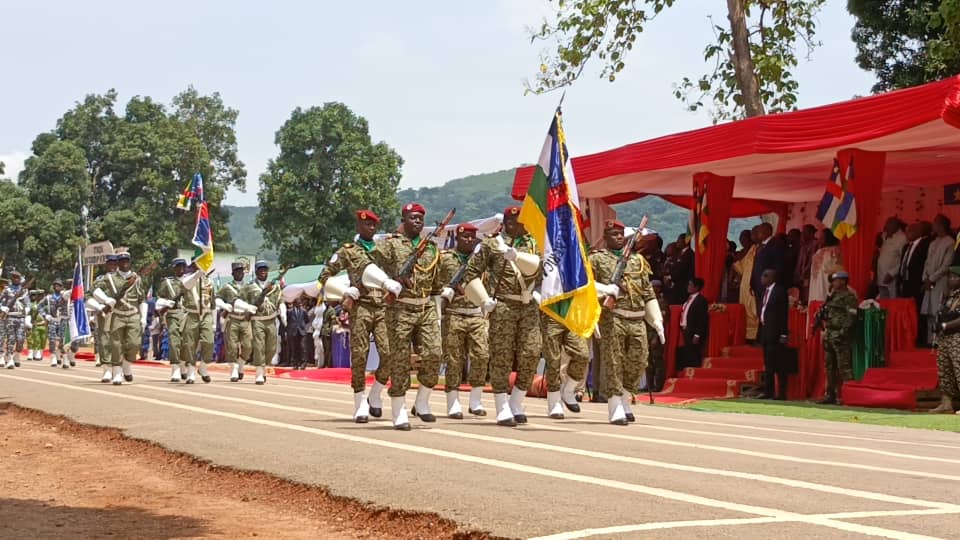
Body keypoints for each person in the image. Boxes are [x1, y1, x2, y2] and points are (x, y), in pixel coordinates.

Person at [464, 206, 541, 427]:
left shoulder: (534, 243)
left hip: (528, 306)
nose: (515, 225)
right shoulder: (491, 243)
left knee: (532, 352)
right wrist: (483, 299)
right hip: (503, 305)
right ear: (505, 222)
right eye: (511, 221)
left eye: (520, 221)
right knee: (501, 356)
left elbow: (544, 269)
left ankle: (516, 401)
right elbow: (470, 273)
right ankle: (502, 405)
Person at [319, 209, 395, 422]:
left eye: (373, 225)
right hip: (360, 306)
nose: (370, 228)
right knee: (360, 355)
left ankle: (376, 392)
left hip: (381, 307)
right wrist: (344, 291)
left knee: (389, 353)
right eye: (366, 225)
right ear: (358, 227)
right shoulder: (348, 251)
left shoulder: (384, 249)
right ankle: (359, 401)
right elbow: (325, 275)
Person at [371, 203, 439, 430]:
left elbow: (436, 280)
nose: (417, 221)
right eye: (412, 217)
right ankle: (399, 409)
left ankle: (421, 402)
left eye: (420, 218)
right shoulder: (390, 245)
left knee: (434, 353)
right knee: (399, 360)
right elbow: (368, 263)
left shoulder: (430, 248)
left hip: (426, 307)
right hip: (400, 308)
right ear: (403, 219)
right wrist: (388, 281)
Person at [590, 220, 665, 425]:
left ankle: (624, 397)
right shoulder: (596, 260)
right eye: (614, 234)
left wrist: (656, 320)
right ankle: (615, 405)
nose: (619, 237)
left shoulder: (638, 260)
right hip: (612, 318)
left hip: (637, 318)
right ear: (605, 237)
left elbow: (647, 292)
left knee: (639, 360)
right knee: (613, 362)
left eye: (621, 233)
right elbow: (587, 288)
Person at [435, 223, 491, 418]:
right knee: (454, 360)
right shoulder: (446, 258)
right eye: (464, 236)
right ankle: (453, 402)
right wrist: (444, 291)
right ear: (457, 238)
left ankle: (475, 401)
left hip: (476, 314)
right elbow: (435, 283)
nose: (468, 240)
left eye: (471, 237)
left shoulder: (480, 260)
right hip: (454, 313)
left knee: (481, 356)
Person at [92, 251, 148, 385]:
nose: (125, 263)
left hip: (133, 314)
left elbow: (142, 299)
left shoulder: (137, 279)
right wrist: (105, 301)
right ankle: (115, 372)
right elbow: (94, 291)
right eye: (122, 261)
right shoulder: (109, 278)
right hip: (116, 314)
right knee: (115, 345)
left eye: (127, 261)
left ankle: (126, 364)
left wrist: (143, 318)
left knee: (134, 344)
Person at [815, 271, 859, 404]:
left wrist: (843, 332)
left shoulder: (849, 297)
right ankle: (830, 394)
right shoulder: (832, 296)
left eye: (835, 281)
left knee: (844, 366)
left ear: (843, 281)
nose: (833, 283)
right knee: (829, 366)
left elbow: (852, 316)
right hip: (829, 333)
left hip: (840, 335)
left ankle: (848, 395)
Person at [244, 261, 286, 385]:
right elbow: (242, 299)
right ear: (256, 272)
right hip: (258, 320)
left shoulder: (275, 287)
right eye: (261, 270)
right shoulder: (250, 286)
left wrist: (283, 312)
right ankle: (259, 373)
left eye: (265, 270)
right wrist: (248, 308)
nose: (263, 272)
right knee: (259, 346)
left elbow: (280, 301)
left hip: (272, 320)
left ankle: (263, 367)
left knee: (272, 348)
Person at [217, 261, 254, 382]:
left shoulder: (249, 287)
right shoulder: (227, 287)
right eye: (237, 271)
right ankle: (234, 369)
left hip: (245, 319)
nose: (240, 273)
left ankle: (241, 364)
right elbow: (217, 298)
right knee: (232, 346)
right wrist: (224, 306)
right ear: (233, 273)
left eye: (241, 271)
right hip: (232, 319)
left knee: (248, 346)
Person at [179, 262, 215, 384]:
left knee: (209, 342)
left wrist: (214, 322)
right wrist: (196, 275)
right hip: (192, 314)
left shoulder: (209, 281)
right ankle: (191, 371)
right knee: (190, 345)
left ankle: (203, 367)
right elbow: (186, 285)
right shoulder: (187, 278)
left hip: (206, 314)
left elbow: (213, 302)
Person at [930, 266, 960, 414]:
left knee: (959, 369)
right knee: (945, 371)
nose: (951, 280)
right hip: (945, 337)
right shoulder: (949, 296)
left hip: (957, 338)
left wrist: (944, 325)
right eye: (950, 277)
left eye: (955, 277)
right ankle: (946, 403)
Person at [921, 215, 955, 346]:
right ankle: (931, 341)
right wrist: (925, 278)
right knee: (929, 312)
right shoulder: (933, 242)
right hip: (929, 282)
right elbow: (927, 262)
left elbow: (946, 266)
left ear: (941, 225)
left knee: (938, 311)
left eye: (935, 223)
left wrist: (932, 278)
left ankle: (940, 341)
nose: (933, 226)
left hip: (940, 282)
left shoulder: (950, 242)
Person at [757, 268, 790, 400]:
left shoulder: (779, 291)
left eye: (765, 276)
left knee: (778, 363)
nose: (762, 278)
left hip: (776, 333)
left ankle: (781, 392)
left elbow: (783, 314)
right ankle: (768, 391)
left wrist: (783, 333)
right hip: (766, 331)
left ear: (772, 278)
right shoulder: (765, 292)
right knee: (768, 363)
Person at [155, 259, 188, 382]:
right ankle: (175, 368)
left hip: (187, 315)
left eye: (183, 267)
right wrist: (167, 303)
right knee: (174, 342)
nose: (181, 269)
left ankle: (183, 365)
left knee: (186, 343)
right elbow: (158, 300)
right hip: (173, 315)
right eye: (178, 267)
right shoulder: (166, 283)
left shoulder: (189, 281)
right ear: (174, 268)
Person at [898, 222, 931, 346]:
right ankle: (908, 338)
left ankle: (920, 340)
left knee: (918, 312)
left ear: (919, 232)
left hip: (918, 284)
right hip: (905, 283)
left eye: (911, 230)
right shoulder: (907, 246)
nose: (908, 233)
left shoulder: (925, 245)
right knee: (907, 312)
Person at [642, 279, 670, 392]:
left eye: (653, 287)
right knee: (647, 361)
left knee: (657, 360)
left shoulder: (661, 302)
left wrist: (656, 337)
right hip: (646, 333)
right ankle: (649, 385)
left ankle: (658, 385)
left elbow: (661, 320)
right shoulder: (648, 301)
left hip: (655, 334)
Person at [1, 270, 33, 369]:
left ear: (20, 279)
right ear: (12, 279)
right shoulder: (7, 290)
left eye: (17, 277)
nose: (16, 279)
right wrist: (2, 308)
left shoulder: (24, 290)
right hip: (10, 316)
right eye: (14, 277)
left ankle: (15, 355)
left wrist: (27, 308)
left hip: (21, 317)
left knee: (20, 339)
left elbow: (27, 302)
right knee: (11, 338)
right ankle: (10, 358)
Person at [731, 229, 758, 342]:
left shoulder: (756, 250)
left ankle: (754, 335)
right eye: (740, 239)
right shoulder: (746, 251)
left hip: (752, 285)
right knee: (745, 309)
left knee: (753, 310)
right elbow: (742, 268)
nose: (742, 241)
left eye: (744, 238)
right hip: (744, 284)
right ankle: (748, 335)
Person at [677, 278, 709, 371]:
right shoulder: (688, 299)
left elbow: (702, 319)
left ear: (696, 287)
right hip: (685, 330)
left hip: (693, 332)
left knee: (693, 354)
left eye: (690, 285)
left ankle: (695, 373)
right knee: (686, 353)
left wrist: (697, 334)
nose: (688, 287)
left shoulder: (701, 300)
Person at [40, 280, 70, 368]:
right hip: (52, 319)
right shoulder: (48, 297)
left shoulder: (65, 296)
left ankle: (64, 358)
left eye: (59, 285)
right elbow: (39, 306)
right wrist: (45, 315)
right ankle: (53, 357)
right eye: (55, 285)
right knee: (52, 339)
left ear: (62, 287)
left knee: (63, 340)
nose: (57, 287)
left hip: (62, 319)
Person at [876, 217, 907, 299]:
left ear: (896, 226)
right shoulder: (886, 236)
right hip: (881, 276)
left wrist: (892, 273)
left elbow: (904, 260)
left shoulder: (902, 238)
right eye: (886, 224)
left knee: (893, 302)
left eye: (889, 224)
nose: (886, 226)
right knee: (883, 303)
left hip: (892, 277)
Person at [808, 228, 842, 303]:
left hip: (825, 288)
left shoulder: (834, 251)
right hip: (821, 287)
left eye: (822, 238)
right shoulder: (822, 252)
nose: (819, 240)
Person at [794, 224, 818, 303]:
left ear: (811, 233)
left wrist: (805, 272)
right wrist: (798, 274)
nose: (802, 234)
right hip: (802, 278)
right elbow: (799, 263)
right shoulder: (803, 247)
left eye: (805, 232)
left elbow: (813, 260)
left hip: (812, 277)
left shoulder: (816, 244)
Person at [285, 299, 309, 370]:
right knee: (295, 348)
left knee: (302, 347)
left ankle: (303, 363)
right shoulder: (289, 311)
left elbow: (307, 320)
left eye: (300, 303)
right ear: (295, 304)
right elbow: (288, 321)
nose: (300, 305)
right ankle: (295, 364)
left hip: (302, 332)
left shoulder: (304, 311)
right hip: (293, 332)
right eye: (298, 303)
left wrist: (302, 325)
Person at [27, 289, 47, 363]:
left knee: (43, 340)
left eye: (42, 295)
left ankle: (40, 353)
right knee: (36, 339)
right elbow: (29, 315)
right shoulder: (33, 305)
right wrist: (29, 323)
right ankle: (36, 353)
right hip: (36, 325)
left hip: (45, 325)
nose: (40, 296)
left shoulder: (47, 305)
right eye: (39, 295)